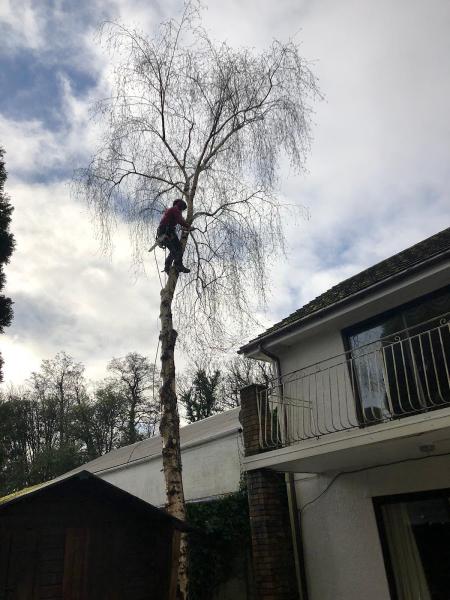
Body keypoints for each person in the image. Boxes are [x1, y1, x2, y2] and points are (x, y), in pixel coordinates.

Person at [156, 199, 192, 274]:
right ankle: (177, 265)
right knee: (175, 249)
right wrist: (188, 226)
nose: (182, 211)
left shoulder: (173, 210)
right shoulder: (175, 209)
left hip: (168, 231)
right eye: (182, 209)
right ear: (181, 206)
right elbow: (180, 220)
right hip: (166, 231)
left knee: (177, 248)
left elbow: (177, 220)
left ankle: (168, 266)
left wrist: (184, 226)